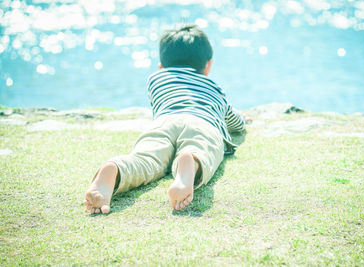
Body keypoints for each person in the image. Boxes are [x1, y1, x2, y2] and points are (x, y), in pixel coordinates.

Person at [84, 25, 247, 214]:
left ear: (161, 66)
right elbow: (233, 119)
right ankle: (190, 162)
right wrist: (243, 121)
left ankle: (116, 168)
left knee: (146, 159)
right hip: (202, 122)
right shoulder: (214, 87)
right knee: (203, 150)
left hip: (164, 121)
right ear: (208, 65)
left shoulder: (157, 79)